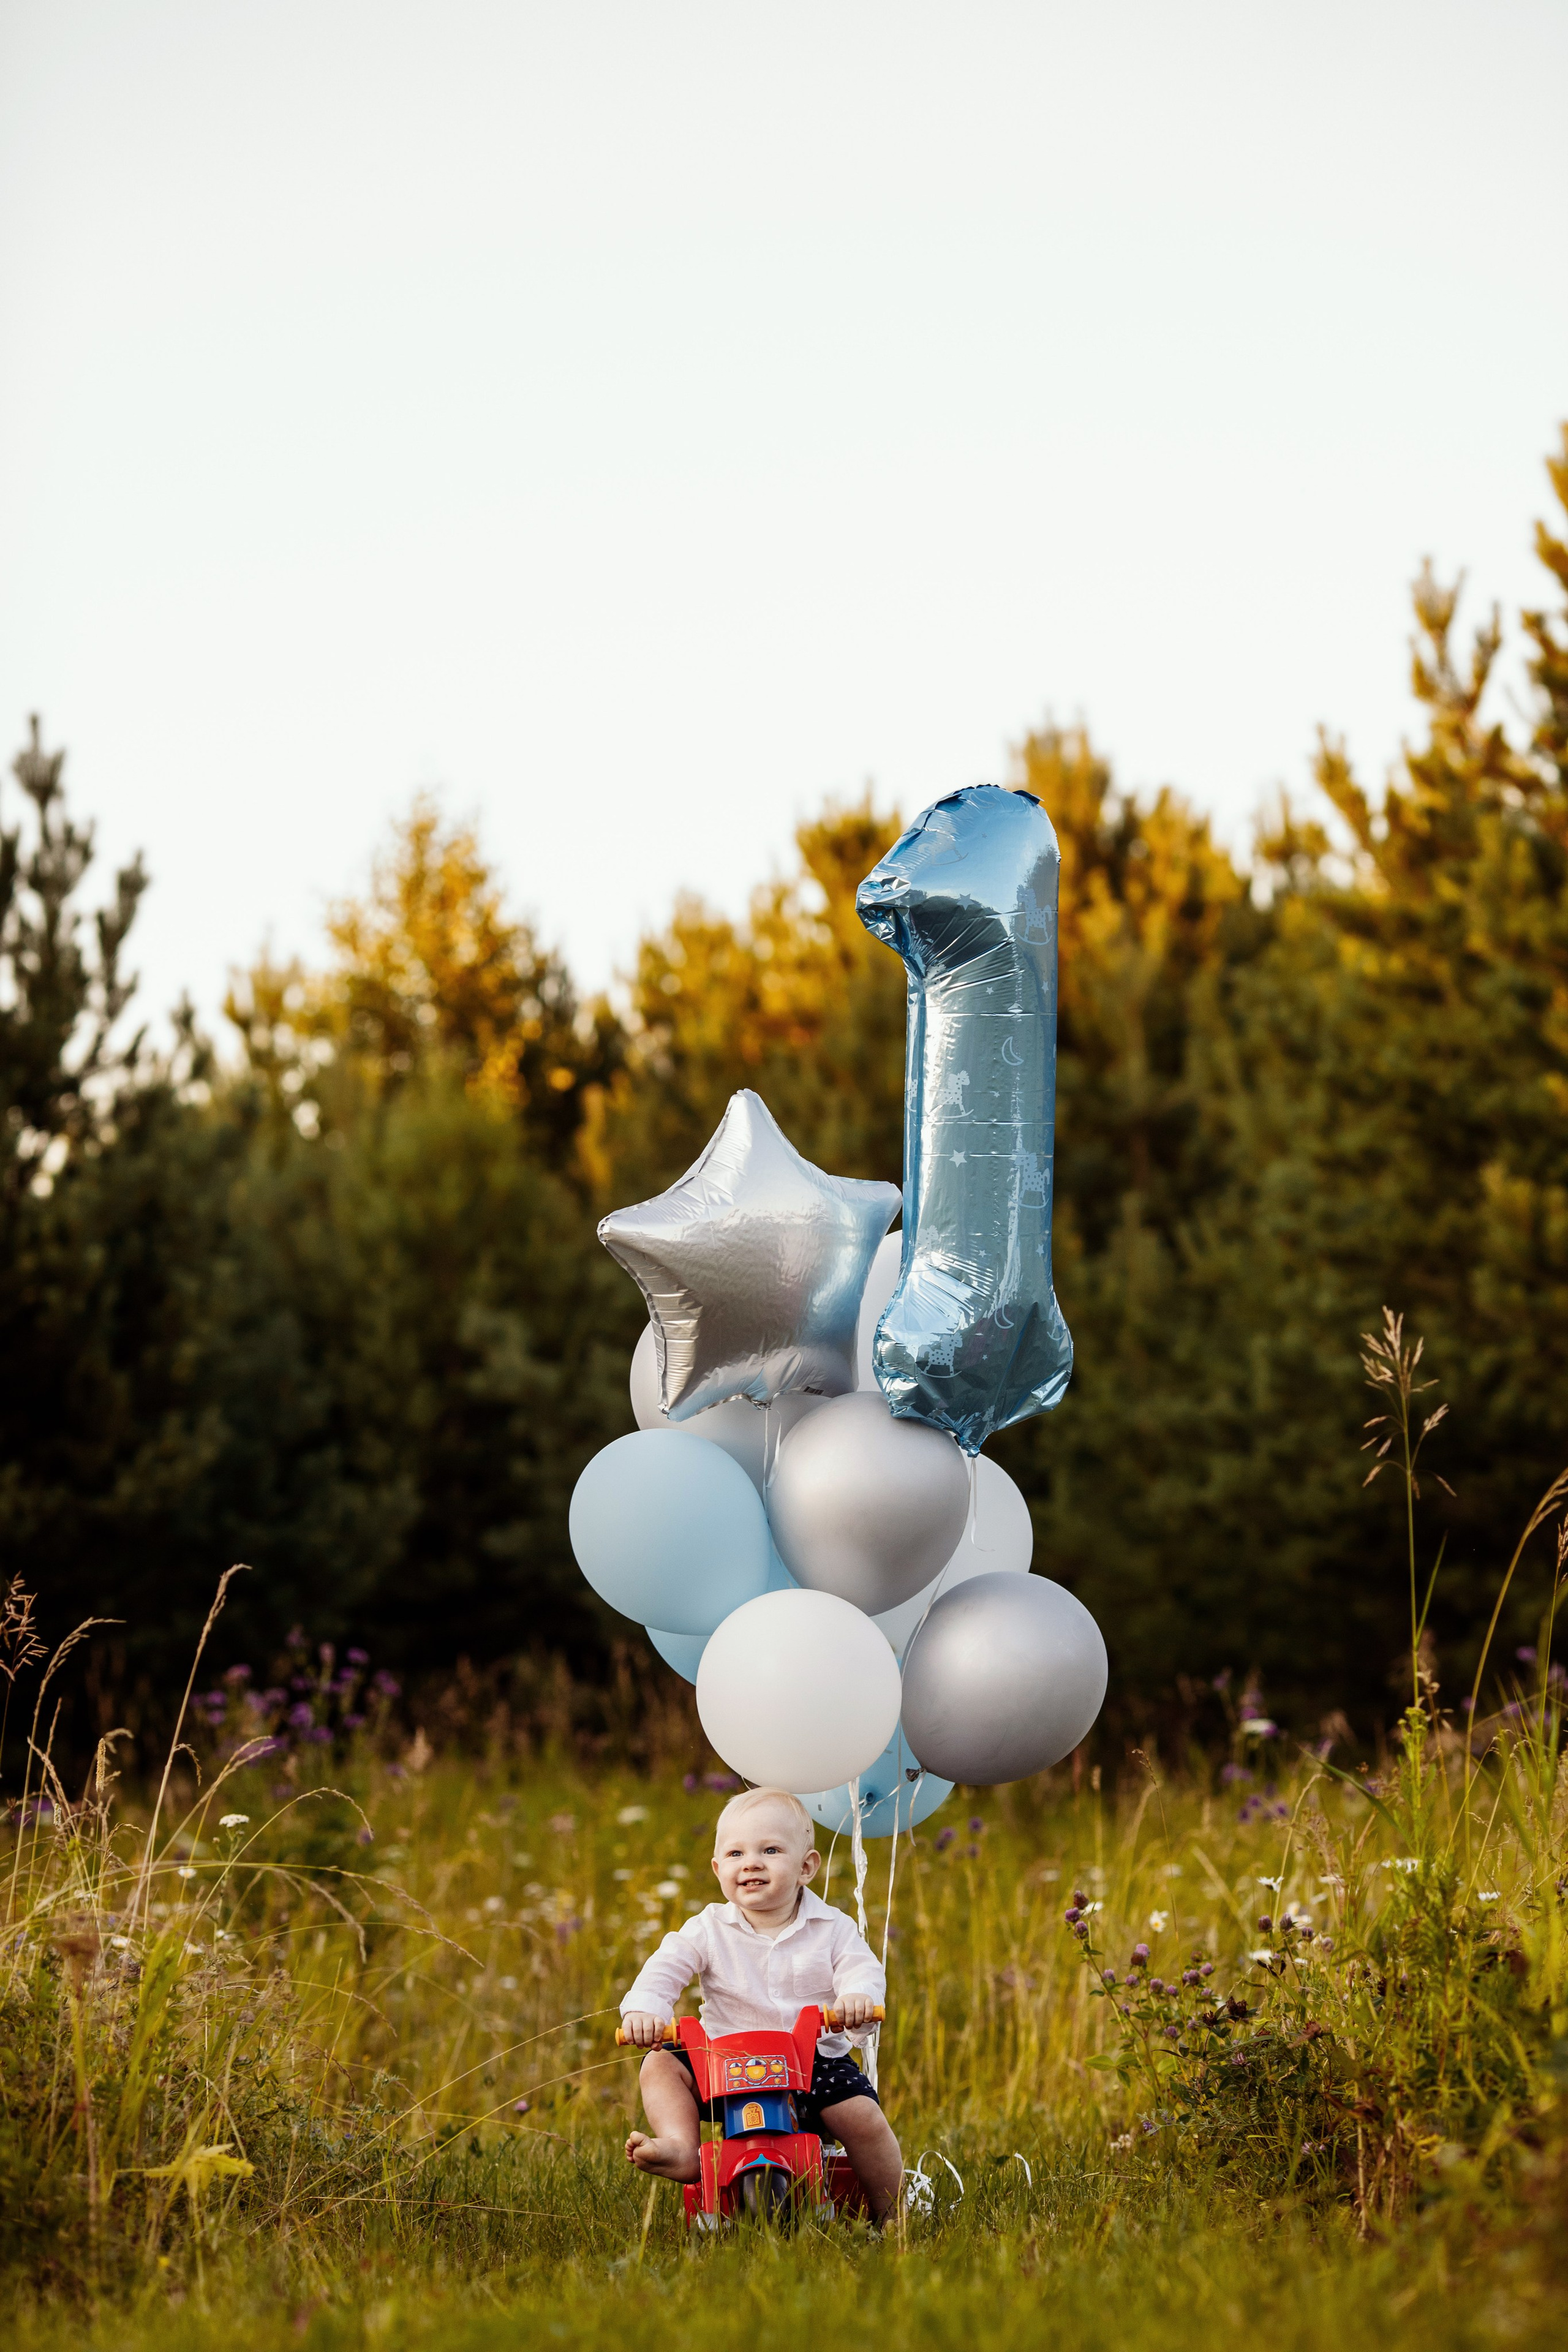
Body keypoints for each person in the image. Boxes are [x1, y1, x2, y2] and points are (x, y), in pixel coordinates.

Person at [619, 1785, 904, 2222]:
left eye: (770, 1850)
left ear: (807, 1867)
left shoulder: (833, 1927)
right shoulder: (708, 1928)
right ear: (717, 1869)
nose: (751, 1862)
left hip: (812, 2067)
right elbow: (666, 1967)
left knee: (864, 2119)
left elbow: (860, 1969)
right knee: (659, 2064)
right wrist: (646, 2011)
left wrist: (857, 2000)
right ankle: (681, 2146)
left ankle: (890, 2213)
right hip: (722, 2065)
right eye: (735, 1854)